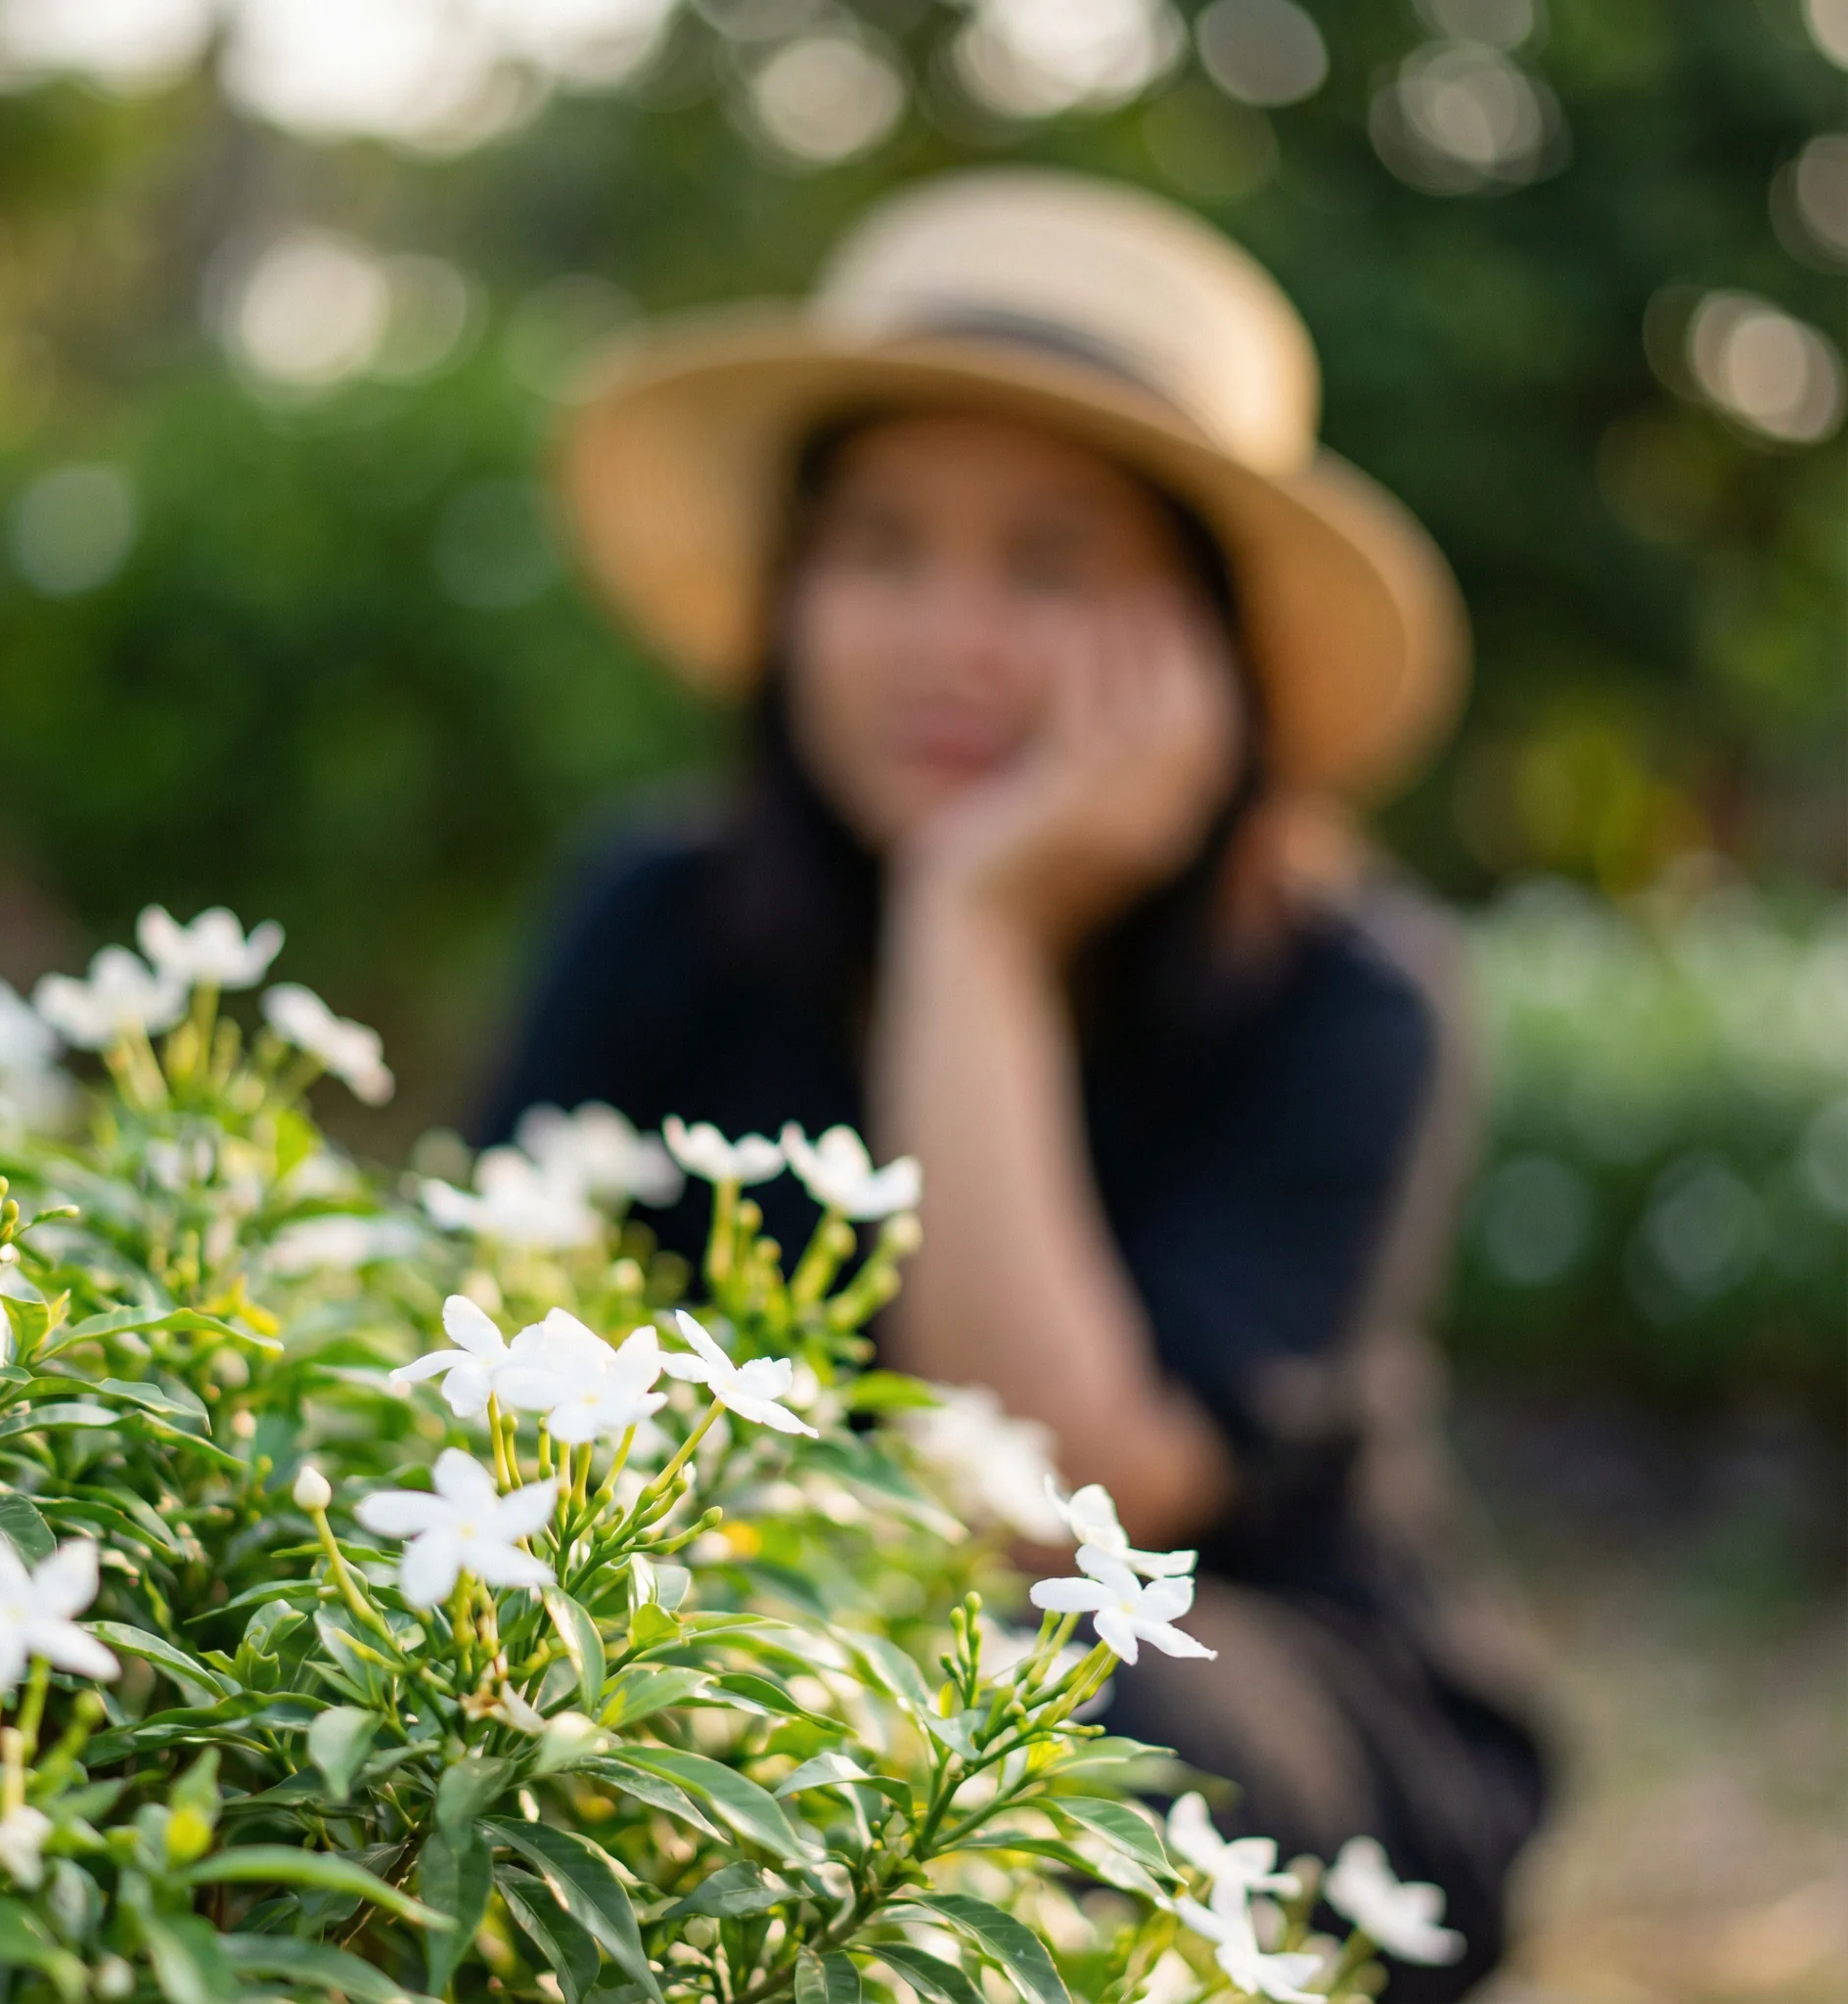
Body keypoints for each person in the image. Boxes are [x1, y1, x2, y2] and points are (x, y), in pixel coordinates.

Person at [477, 171, 1549, 1999]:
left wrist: (972, 927)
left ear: (1214, 646)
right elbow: (491, 1329)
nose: (947, 638)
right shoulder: (657, 918)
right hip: (747, 1635)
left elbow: (1059, 1508)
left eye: (1051, 568)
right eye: (880, 549)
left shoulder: (1353, 1001)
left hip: (1232, 1685)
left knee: (1051, 1704)